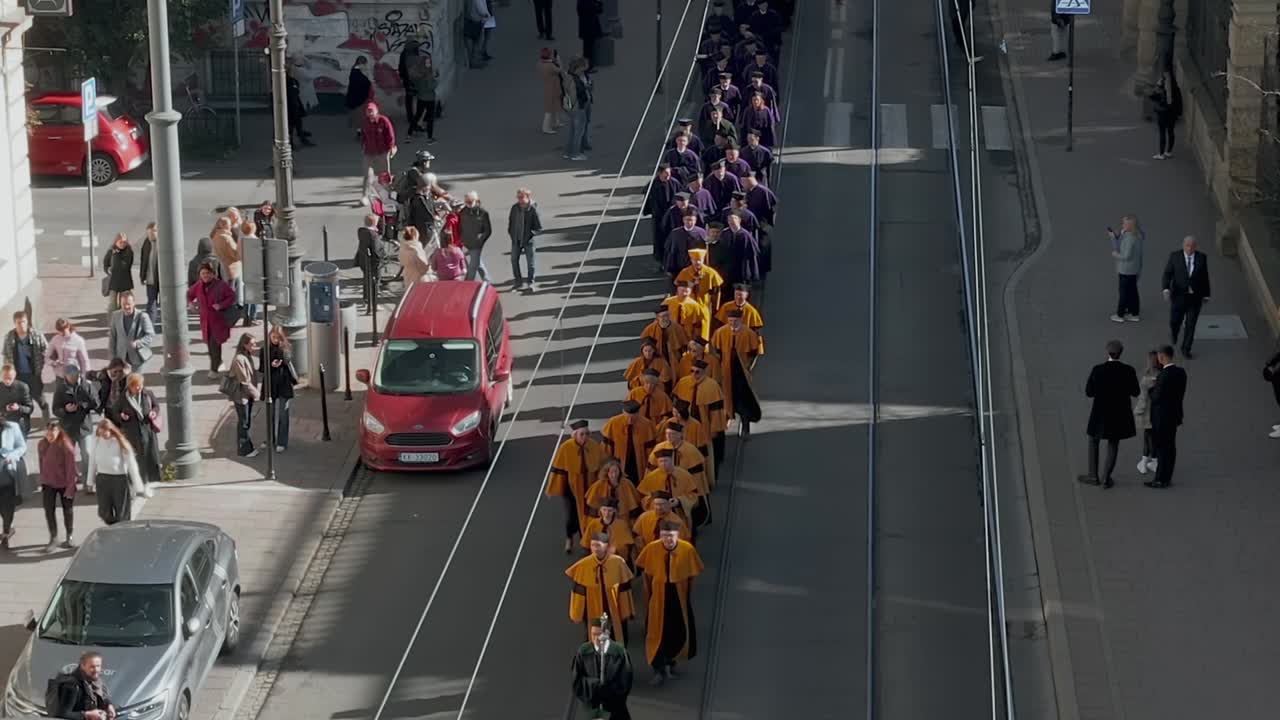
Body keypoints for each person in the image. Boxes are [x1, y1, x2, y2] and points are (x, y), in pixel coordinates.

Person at [636, 522, 704, 684]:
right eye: (664, 535)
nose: (668, 539)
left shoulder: (687, 550)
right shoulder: (652, 549)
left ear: (677, 535)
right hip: (658, 596)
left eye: (671, 535)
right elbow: (647, 575)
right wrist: (650, 596)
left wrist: (685, 595)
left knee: (676, 630)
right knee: (655, 632)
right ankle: (658, 668)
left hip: (678, 596)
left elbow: (692, 576)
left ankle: (671, 662)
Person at [1078, 340, 1139, 489]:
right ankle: (1106, 477)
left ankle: (1093, 475)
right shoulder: (1129, 370)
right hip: (1119, 413)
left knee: (1093, 440)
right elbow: (1135, 392)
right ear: (1121, 353)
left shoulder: (1098, 369)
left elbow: (1089, 392)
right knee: (1113, 443)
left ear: (1107, 352)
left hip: (1100, 412)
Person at [547, 419, 611, 552]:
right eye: (582, 434)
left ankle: (586, 542)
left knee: (590, 515)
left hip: (590, 486)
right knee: (572, 516)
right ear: (575, 435)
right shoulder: (566, 447)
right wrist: (554, 488)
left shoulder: (594, 446)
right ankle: (569, 538)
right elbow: (559, 469)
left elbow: (602, 464)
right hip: (571, 487)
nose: (585, 437)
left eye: (587, 434)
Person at [566, 532, 637, 643]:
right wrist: (576, 613)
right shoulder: (584, 565)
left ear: (606, 546)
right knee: (593, 639)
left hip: (613, 608)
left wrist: (626, 610)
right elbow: (578, 591)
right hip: (592, 609)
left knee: (617, 638)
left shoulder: (618, 563)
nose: (595, 549)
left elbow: (624, 588)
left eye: (598, 545)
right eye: (593, 545)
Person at [710, 309, 763, 433]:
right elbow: (715, 350)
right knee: (726, 396)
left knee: (743, 398)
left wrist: (749, 367)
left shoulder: (749, 333)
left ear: (741, 320)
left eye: (735, 321)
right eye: (730, 321)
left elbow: (754, 353)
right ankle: (727, 417)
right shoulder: (720, 332)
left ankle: (745, 425)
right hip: (726, 370)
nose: (732, 323)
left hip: (742, 372)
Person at [571, 617, 634, 720]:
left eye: (599, 634)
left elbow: (625, 681)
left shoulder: (619, 652)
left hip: (615, 711)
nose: (596, 639)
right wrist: (593, 685)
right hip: (591, 709)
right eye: (593, 634)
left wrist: (607, 692)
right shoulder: (583, 652)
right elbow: (577, 681)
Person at [86, 418, 145, 525]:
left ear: (111, 430)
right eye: (101, 431)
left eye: (106, 431)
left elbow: (132, 465)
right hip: (102, 479)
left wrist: (138, 487)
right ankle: (114, 526)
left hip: (119, 480)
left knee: (122, 513)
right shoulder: (96, 441)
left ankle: (122, 530)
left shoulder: (120, 442)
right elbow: (92, 462)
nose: (103, 434)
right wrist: (90, 482)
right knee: (104, 512)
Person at [1160, 235, 1210, 358]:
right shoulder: (1175, 257)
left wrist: (1207, 294)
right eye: (1187, 246)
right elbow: (1167, 274)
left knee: (1191, 324)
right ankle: (1174, 333)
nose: (1189, 248)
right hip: (1178, 297)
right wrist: (1166, 289)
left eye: (1192, 246)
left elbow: (1204, 277)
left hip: (1194, 298)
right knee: (1174, 321)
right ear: (1183, 245)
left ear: (1195, 247)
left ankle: (1186, 349)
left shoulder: (1201, 258)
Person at [673, 360, 728, 469]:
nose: (694, 374)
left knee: (704, 452)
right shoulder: (683, 382)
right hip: (686, 424)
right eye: (692, 371)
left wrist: (714, 430)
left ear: (704, 372)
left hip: (704, 426)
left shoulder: (712, 386)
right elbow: (676, 403)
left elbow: (716, 412)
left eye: (697, 372)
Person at [188, 262, 237, 379]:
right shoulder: (198, 286)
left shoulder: (221, 285)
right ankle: (218, 363)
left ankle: (214, 369)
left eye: (208, 273)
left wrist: (221, 305)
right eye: (203, 273)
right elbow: (189, 294)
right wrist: (190, 304)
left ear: (213, 274)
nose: (205, 276)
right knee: (211, 346)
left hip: (218, 321)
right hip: (206, 322)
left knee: (215, 345)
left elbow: (232, 296)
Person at [52, 363, 97, 490]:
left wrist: (82, 406)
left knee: (87, 454)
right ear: (66, 376)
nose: (74, 378)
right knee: (68, 456)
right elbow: (55, 409)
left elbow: (95, 403)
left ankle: (88, 483)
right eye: (70, 376)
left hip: (84, 427)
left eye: (76, 375)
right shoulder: (60, 389)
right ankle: (70, 482)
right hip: (67, 428)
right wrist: (65, 410)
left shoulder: (86, 386)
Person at [1147, 345, 1186, 488]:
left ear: (1162, 357)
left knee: (1162, 449)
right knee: (1171, 447)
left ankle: (1160, 479)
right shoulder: (1181, 372)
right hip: (1174, 415)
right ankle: (1167, 476)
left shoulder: (1163, 376)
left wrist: (1151, 389)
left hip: (1161, 418)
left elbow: (1156, 397)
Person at [112, 373, 161, 488]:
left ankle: (148, 481)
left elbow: (156, 406)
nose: (139, 388)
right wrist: (121, 417)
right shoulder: (123, 398)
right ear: (130, 386)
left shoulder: (147, 394)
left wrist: (154, 412)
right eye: (136, 386)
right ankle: (137, 482)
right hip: (132, 433)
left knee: (150, 457)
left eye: (140, 385)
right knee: (137, 459)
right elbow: (115, 411)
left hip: (148, 431)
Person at [38, 419, 79, 552]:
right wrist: (43, 478)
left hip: (65, 483)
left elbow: (71, 468)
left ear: (58, 431)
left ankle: (69, 536)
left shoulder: (66, 445)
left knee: (67, 510)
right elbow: (41, 463)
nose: (49, 436)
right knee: (49, 510)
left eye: (52, 433)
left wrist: (70, 487)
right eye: (47, 433)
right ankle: (53, 537)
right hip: (48, 483)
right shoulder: (41, 444)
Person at [4, 311, 50, 423]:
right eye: (18, 322)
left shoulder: (36, 335)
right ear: (14, 323)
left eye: (23, 322)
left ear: (27, 321)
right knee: (20, 399)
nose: (21, 325)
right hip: (18, 375)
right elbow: (6, 355)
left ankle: (46, 414)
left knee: (39, 397)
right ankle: (23, 421)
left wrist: (44, 361)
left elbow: (47, 350)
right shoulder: (10, 337)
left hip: (33, 374)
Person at [637, 447, 699, 528]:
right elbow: (642, 497)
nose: (663, 463)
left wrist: (679, 501)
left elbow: (693, 495)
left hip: (679, 514)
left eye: (666, 460)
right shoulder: (650, 477)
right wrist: (658, 504)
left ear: (671, 460)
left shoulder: (684, 475)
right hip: (658, 516)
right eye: (660, 461)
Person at [46, 651, 116, 720]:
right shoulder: (71, 686)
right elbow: (62, 714)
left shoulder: (96, 681)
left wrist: (109, 705)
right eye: (92, 667)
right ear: (83, 666)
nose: (96, 670)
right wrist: (87, 715)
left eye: (98, 666)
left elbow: (103, 696)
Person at [602, 399, 658, 483]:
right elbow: (606, 448)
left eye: (633, 418)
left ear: (638, 414)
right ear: (623, 412)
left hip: (638, 463)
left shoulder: (647, 425)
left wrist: (650, 467)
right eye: (627, 417)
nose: (630, 421)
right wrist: (608, 464)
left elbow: (651, 450)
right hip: (619, 462)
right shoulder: (613, 423)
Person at [262, 326, 298, 453]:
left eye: (278, 338)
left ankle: (282, 441)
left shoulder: (285, 348)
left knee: (283, 414)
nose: (275, 340)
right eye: (273, 337)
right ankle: (270, 439)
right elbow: (261, 368)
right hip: (271, 385)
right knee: (269, 414)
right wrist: (270, 365)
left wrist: (282, 352)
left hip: (283, 384)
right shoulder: (265, 349)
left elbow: (288, 359)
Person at [580, 497, 637, 566]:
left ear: (614, 511)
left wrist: (615, 549)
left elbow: (628, 545)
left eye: (610, 511)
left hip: (616, 560)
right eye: (604, 510)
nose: (606, 514)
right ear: (600, 510)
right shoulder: (594, 524)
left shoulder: (621, 524)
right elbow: (586, 544)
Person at [585, 459, 645, 524]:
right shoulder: (598, 485)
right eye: (611, 472)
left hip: (623, 519)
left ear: (620, 471)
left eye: (616, 471)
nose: (614, 475)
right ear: (606, 472)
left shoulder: (627, 484)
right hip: (604, 518)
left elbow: (634, 507)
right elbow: (593, 508)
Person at [230, 334, 261, 458]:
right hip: (241, 396)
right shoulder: (239, 359)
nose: (255, 346)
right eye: (252, 344)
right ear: (244, 344)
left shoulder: (247, 356)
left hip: (247, 395)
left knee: (246, 421)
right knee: (244, 422)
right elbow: (244, 381)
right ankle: (244, 449)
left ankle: (247, 446)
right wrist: (257, 394)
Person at [1109, 215, 1144, 323]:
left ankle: (1120, 314)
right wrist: (1115, 237)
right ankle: (1134, 313)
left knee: (1124, 292)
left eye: (1124, 223)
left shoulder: (1130, 238)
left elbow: (1126, 255)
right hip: (1134, 269)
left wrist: (1115, 254)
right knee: (1132, 292)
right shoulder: (1137, 235)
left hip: (1126, 270)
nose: (1122, 225)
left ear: (1129, 226)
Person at [107, 293, 155, 370]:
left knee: (135, 381)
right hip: (121, 359)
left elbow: (150, 335)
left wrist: (138, 343)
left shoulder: (143, 316)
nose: (126, 307)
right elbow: (112, 338)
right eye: (124, 304)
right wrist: (112, 358)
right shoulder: (116, 316)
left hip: (137, 359)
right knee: (123, 382)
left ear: (134, 303)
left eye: (129, 304)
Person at [360, 102, 397, 200]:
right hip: (369, 152)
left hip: (382, 152)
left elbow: (391, 135)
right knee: (367, 175)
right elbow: (363, 136)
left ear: (376, 111)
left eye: (372, 111)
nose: (370, 113)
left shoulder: (383, 120)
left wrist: (391, 148)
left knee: (384, 174)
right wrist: (363, 146)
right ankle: (365, 196)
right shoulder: (365, 122)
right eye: (368, 111)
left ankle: (387, 193)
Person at [508, 188, 544, 290]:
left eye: (521, 197)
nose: (519, 199)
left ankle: (530, 282)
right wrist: (511, 233)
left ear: (528, 197)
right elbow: (511, 222)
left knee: (530, 263)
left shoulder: (532, 210)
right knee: (514, 260)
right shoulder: (515, 208)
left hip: (528, 241)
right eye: (518, 197)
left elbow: (539, 228)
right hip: (516, 239)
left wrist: (530, 235)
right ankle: (518, 282)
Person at [675, 249, 725, 317]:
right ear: (691, 260)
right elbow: (678, 291)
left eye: (700, 260)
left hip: (704, 306)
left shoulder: (710, 273)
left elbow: (716, 292)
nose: (697, 262)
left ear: (703, 260)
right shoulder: (684, 273)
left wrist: (715, 308)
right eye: (695, 260)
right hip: (688, 307)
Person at [641, 304, 691, 372]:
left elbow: (684, 344)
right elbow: (644, 345)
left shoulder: (677, 327)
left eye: (667, 315)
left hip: (674, 358)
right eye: (663, 316)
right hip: (657, 359)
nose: (666, 318)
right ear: (657, 318)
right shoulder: (650, 329)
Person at [0, 418, 25, 549]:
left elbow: (22, 447)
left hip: (6, 472)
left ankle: (6, 531)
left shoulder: (12, 427)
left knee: (7, 507)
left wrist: (12, 456)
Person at [1135, 350, 1160, 472]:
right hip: (1158, 412)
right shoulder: (1161, 374)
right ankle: (1151, 461)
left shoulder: (1146, 377)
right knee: (1153, 437)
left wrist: (1137, 411)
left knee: (1148, 437)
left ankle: (1146, 462)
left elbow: (1143, 398)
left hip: (1148, 413)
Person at [564, 57, 594, 161]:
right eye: (585, 65)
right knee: (578, 131)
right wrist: (573, 108)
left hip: (580, 106)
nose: (587, 66)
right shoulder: (574, 80)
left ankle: (569, 152)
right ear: (579, 67)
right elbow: (573, 95)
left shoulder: (577, 76)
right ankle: (575, 154)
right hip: (578, 107)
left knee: (574, 131)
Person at [459, 191, 493, 281]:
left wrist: (480, 239)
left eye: (470, 201)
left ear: (476, 200)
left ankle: (468, 283)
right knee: (477, 261)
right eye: (467, 202)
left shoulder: (483, 213)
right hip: (466, 242)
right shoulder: (462, 212)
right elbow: (459, 227)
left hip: (477, 244)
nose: (468, 204)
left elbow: (488, 230)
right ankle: (487, 279)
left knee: (473, 265)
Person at [408, 49, 440, 144]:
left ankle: (412, 131)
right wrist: (436, 79)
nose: (429, 64)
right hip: (428, 98)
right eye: (428, 62)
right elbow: (431, 86)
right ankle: (428, 137)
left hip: (420, 96)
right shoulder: (428, 74)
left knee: (418, 114)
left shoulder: (418, 71)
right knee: (428, 117)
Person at [356, 213, 386, 304]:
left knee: (366, 280)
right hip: (373, 263)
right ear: (374, 223)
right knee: (375, 282)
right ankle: (373, 302)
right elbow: (377, 250)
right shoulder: (374, 236)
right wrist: (383, 256)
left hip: (364, 260)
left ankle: (366, 299)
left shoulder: (362, 232)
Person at [103, 232, 135, 312]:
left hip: (125, 282)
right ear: (116, 242)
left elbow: (125, 265)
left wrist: (116, 255)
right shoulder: (111, 251)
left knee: (124, 304)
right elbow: (105, 264)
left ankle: (123, 322)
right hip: (113, 281)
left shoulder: (129, 252)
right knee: (112, 305)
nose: (122, 244)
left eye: (124, 242)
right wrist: (107, 270)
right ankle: (112, 322)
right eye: (120, 242)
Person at [138, 222, 162, 325]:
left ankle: (165, 326)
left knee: (165, 304)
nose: (151, 235)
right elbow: (143, 260)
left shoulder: (163, 242)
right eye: (149, 233)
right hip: (150, 280)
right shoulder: (146, 243)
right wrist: (142, 276)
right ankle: (150, 326)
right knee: (151, 303)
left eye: (154, 232)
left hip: (162, 280)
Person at [0, 364, 34, 435]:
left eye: (10, 378)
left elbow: (30, 408)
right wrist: (5, 408)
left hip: (20, 424)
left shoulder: (23, 387)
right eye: (4, 378)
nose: (7, 381)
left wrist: (19, 407)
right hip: (4, 424)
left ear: (14, 376)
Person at [345, 56, 374, 139]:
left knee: (358, 117)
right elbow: (365, 82)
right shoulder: (358, 72)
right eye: (365, 63)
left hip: (355, 98)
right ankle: (361, 133)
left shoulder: (354, 71)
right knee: (360, 117)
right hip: (359, 99)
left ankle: (360, 132)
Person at [540, 48, 564, 134]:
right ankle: (546, 127)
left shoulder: (540, 64)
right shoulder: (550, 65)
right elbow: (560, 69)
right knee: (550, 108)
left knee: (555, 104)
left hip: (549, 86)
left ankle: (556, 122)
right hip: (553, 87)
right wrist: (559, 61)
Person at [577, 0, 604, 71]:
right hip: (589, 26)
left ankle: (587, 65)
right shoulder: (587, 2)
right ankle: (588, 67)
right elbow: (596, 10)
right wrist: (599, 5)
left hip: (585, 26)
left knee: (587, 47)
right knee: (589, 48)